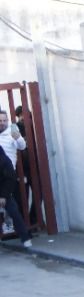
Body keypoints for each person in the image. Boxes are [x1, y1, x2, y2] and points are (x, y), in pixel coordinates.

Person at [0, 106, 32, 248]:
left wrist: (18, 138)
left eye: (4, 120)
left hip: (7, 175)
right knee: (10, 205)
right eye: (0, 120)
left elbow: (22, 146)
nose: (2, 122)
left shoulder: (12, 131)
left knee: (11, 206)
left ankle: (22, 235)